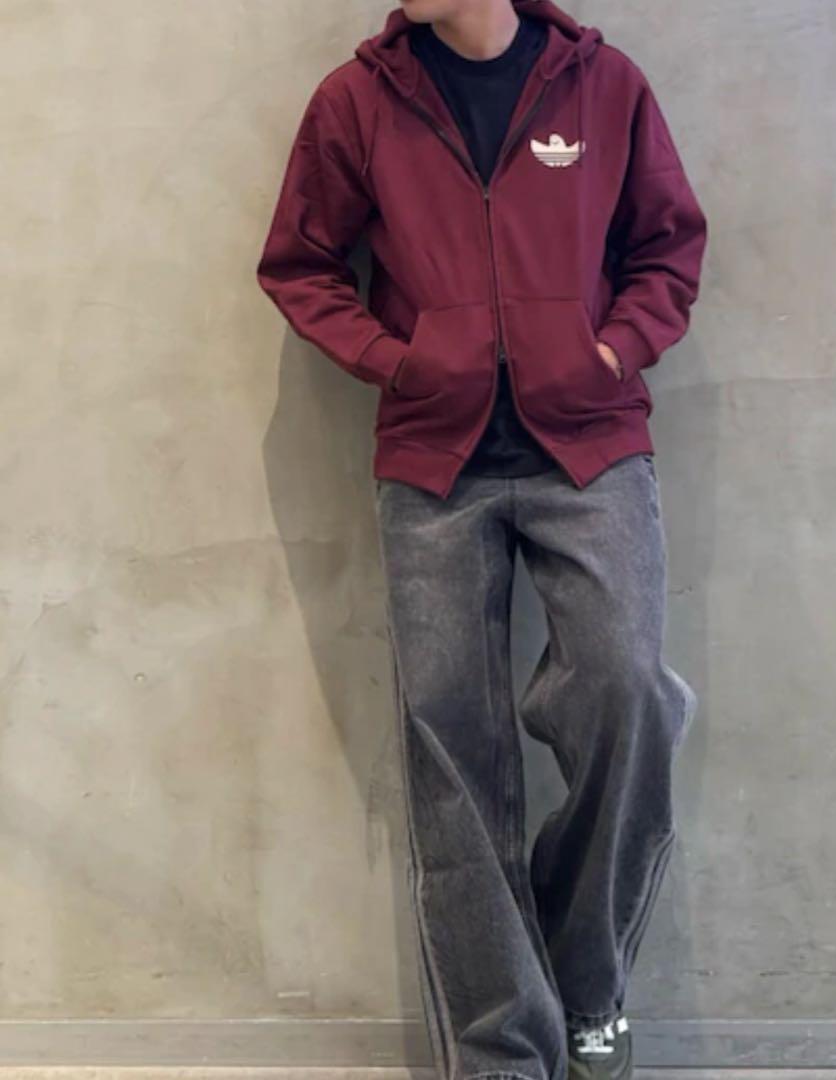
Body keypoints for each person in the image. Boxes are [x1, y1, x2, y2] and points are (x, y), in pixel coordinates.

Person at [256, 2, 708, 1079]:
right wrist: (398, 361)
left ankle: (584, 985)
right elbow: (299, 264)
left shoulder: (602, 85)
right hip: (434, 460)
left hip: (589, 448)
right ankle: (500, 1050)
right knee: (451, 746)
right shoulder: (358, 101)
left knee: (624, 691)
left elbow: (668, 247)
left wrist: (610, 352)